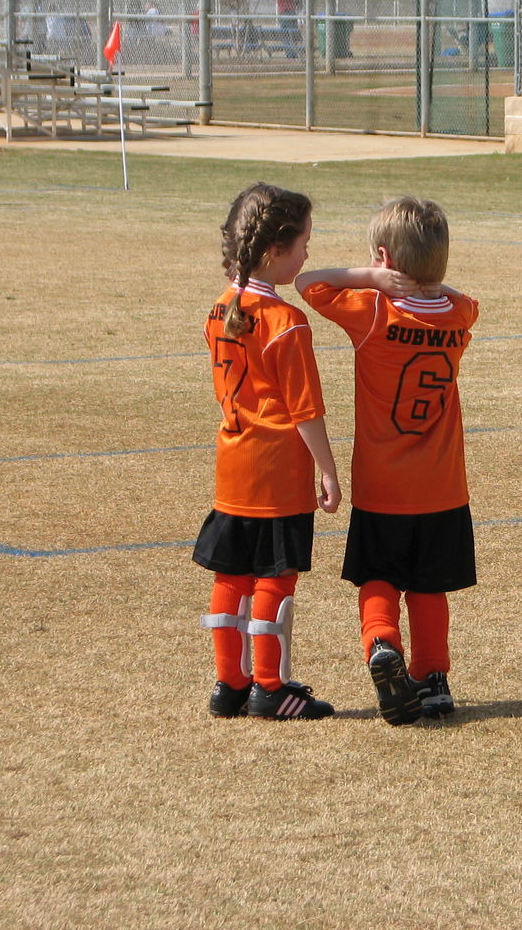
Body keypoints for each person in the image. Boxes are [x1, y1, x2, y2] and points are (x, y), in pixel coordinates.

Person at [295, 197, 478, 726]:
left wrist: (371, 278)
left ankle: (381, 644)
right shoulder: (460, 316)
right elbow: (465, 299)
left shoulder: (374, 310)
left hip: (382, 485)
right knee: (429, 584)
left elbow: (310, 283)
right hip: (442, 485)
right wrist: (430, 284)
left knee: (378, 575)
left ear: (381, 258)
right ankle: (434, 679)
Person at [194, 182, 341, 721]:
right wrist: (328, 470)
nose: (308, 255)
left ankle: (228, 683)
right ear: (275, 250)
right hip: (278, 471)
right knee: (274, 579)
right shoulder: (287, 322)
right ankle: (270, 686)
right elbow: (305, 410)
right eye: (303, 243)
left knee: (230, 576)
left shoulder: (218, 309)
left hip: (233, 467)